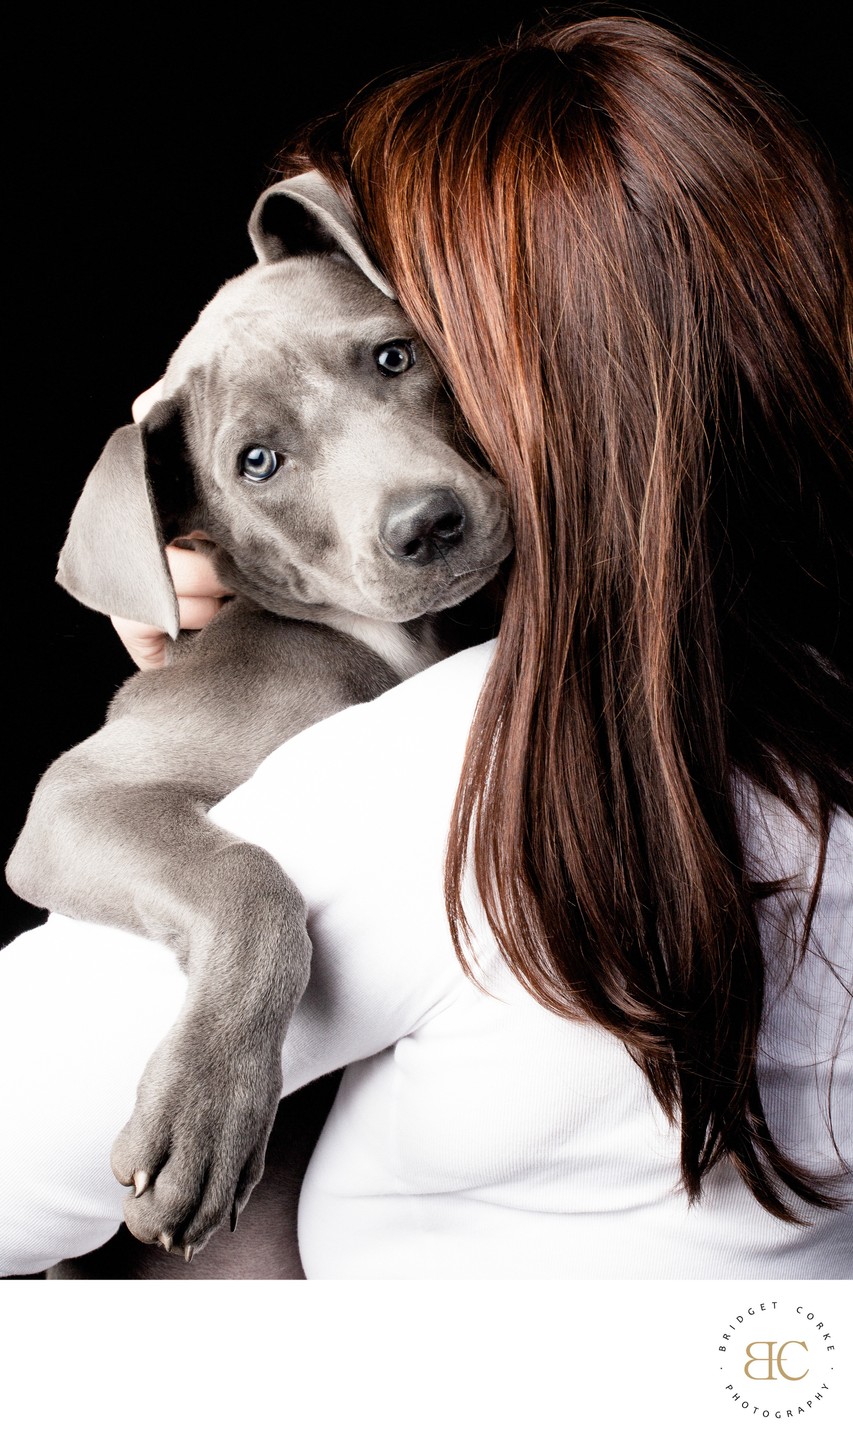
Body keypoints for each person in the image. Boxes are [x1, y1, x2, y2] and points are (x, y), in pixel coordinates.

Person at [1, 14, 851, 1279]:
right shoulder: (792, 708)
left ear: (550, 376)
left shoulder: (446, 776)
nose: (403, 479)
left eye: (406, 350)